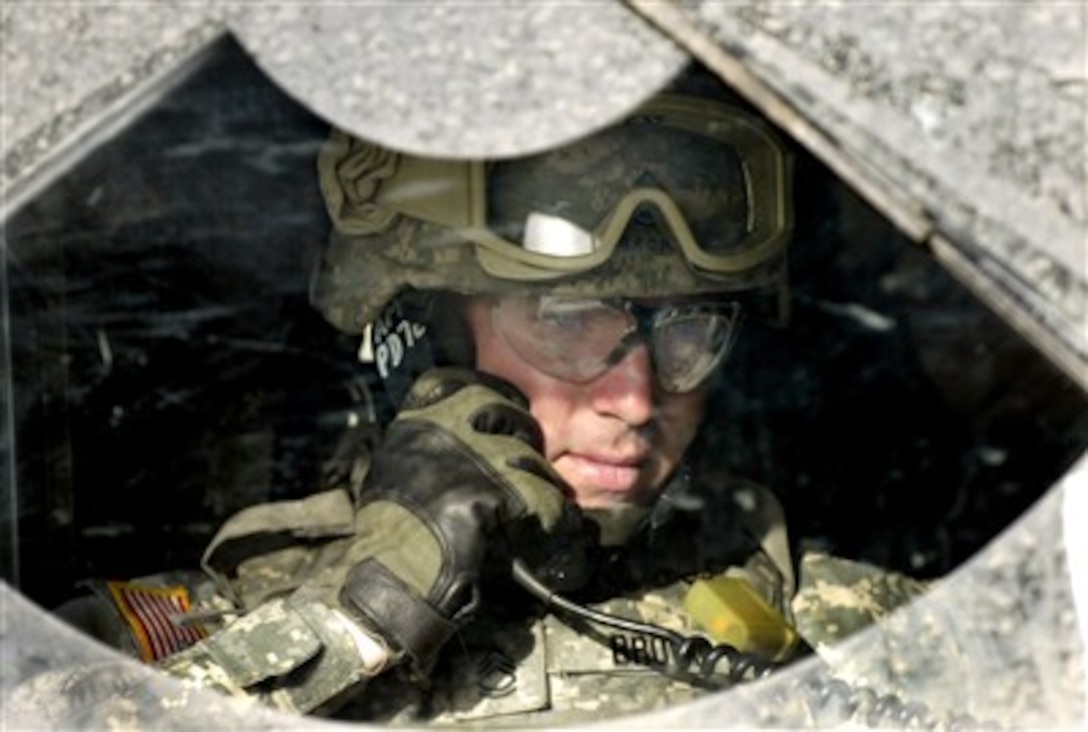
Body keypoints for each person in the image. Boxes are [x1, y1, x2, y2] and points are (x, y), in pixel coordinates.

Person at [35, 68, 929, 727]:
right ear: (426, 343)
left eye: (689, 329)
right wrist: (356, 622)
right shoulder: (188, 638)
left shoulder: (831, 617)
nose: (639, 395)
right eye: (571, 319)